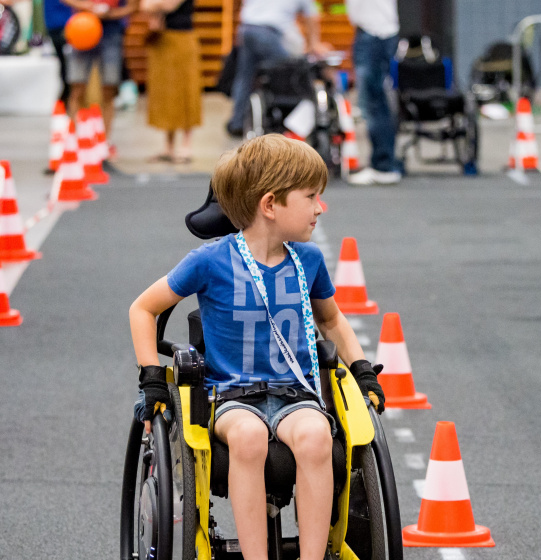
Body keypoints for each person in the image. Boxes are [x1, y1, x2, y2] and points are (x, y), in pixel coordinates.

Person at [129, 134, 385, 560]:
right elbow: (143, 309)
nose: (320, 207)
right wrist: (152, 377)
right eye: (311, 197)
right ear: (270, 205)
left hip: (295, 393)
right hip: (232, 396)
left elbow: (332, 318)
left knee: (318, 436)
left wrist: (360, 369)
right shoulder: (209, 261)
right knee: (247, 438)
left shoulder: (308, 261)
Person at [226, 0, 330, 137]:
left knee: (245, 78)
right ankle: (286, 122)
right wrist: (313, 43)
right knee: (289, 74)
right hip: (270, 32)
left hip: (247, 29)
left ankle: (238, 123)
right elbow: (311, 16)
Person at [61, 0, 137, 158]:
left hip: (111, 33)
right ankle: (74, 140)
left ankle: (105, 140)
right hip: (81, 29)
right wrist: (87, 7)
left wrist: (110, 13)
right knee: (77, 88)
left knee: (109, 89)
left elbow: (133, 6)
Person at [345, 0, 402, 185]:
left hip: (374, 33)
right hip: (374, 32)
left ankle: (383, 165)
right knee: (375, 100)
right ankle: (384, 162)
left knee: (374, 102)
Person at [139, 0, 201, 163]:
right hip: (163, 39)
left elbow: (167, 5)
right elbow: (144, 5)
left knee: (186, 91)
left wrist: (154, 5)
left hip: (182, 38)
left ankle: (186, 145)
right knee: (166, 92)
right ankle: (168, 146)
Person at [43, 0, 73, 104]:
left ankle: (66, 95)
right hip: (56, 24)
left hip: (68, 24)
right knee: (64, 64)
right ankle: (65, 96)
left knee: (67, 64)